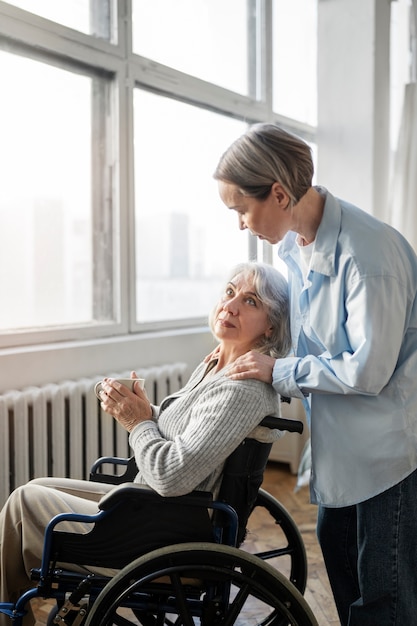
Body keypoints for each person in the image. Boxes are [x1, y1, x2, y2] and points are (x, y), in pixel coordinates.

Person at [0, 261, 291, 626]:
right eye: (230, 292)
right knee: (36, 488)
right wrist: (138, 408)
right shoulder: (218, 365)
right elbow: (189, 432)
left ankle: (9, 612)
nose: (230, 305)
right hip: (155, 508)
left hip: (168, 525)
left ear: (271, 325)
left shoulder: (242, 388)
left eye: (250, 301)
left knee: (24, 503)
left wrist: (136, 421)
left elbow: (171, 476)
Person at [213, 123, 417, 626]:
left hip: (389, 452)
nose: (241, 224)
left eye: (242, 208)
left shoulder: (369, 255)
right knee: (343, 568)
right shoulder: (292, 249)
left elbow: (367, 370)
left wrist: (278, 370)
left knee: (384, 598)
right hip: (342, 446)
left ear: (279, 193)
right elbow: (307, 341)